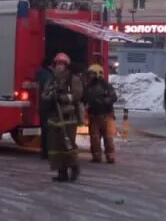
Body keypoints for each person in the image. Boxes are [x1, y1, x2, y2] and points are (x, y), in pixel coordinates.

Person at [42, 52, 82, 182]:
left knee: (68, 145)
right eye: (57, 64)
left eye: (62, 64)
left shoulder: (73, 79)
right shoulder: (52, 80)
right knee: (55, 147)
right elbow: (45, 94)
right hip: (54, 118)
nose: (59, 66)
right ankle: (61, 173)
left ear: (66, 65)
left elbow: (77, 95)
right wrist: (50, 97)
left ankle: (74, 167)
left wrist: (62, 97)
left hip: (68, 118)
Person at [83, 63, 117, 164]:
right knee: (94, 138)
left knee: (108, 137)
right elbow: (84, 98)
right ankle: (96, 156)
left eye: (92, 74)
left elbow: (113, 97)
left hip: (106, 115)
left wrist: (103, 101)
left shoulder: (106, 86)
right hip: (94, 116)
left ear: (98, 74)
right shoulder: (88, 87)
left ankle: (110, 156)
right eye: (89, 74)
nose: (90, 76)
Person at [35, 59, 54, 159]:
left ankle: (44, 152)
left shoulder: (40, 74)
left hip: (43, 106)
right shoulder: (49, 76)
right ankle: (48, 152)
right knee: (49, 130)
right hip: (48, 106)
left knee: (44, 129)